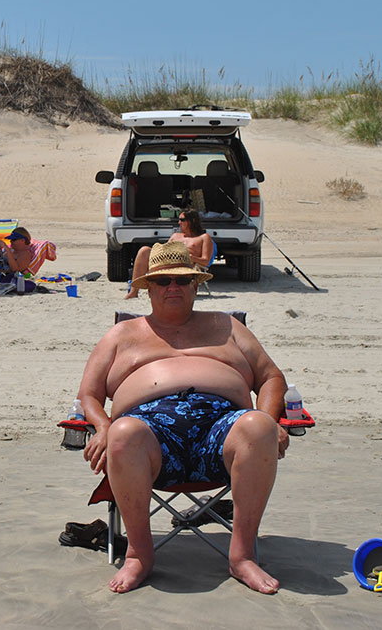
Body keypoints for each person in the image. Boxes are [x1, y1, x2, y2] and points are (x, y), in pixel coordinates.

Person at [78, 240, 289, 595]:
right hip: (150, 438)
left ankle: (242, 556)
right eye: (163, 281)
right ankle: (139, 555)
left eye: (181, 280)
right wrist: (102, 427)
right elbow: (89, 394)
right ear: (148, 289)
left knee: (257, 426)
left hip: (222, 431)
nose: (172, 287)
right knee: (124, 431)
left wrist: (270, 419)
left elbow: (271, 377)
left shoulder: (226, 326)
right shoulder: (122, 334)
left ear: (195, 285)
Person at [125, 210, 214, 299]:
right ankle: (133, 292)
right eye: (179, 220)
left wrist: (192, 258)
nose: (179, 222)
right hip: (167, 262)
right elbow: (164, 250)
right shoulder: (175, 236)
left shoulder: (204, 238)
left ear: (192, 221)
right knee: (144, 250)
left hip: (185, 266)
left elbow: (206, 261)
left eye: (182, 220)